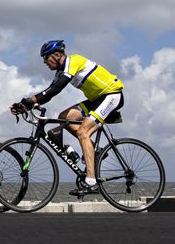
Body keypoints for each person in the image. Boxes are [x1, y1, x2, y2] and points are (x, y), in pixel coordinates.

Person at [10, 39, 124, 196]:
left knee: (83, 132)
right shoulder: (61, 71)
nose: (45, 62)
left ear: (57, 54)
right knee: (64, 117)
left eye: (46, 58)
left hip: (111, 94)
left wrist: (31, 100)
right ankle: (95, 151)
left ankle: (91, 182)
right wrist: (26, 105)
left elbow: (56, 89)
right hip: (95, 100)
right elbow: (49, 92)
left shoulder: (73, 61)